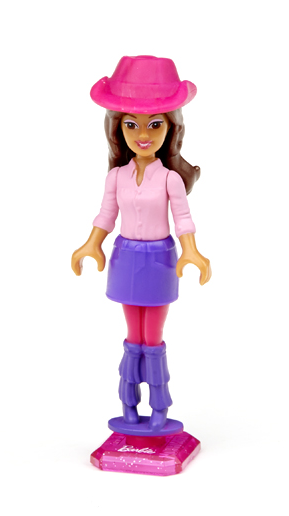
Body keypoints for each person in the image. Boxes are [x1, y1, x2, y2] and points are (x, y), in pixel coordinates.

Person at [71, 56, 211, 432]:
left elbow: (182, 219)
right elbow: (106, 214)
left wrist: (191, 250)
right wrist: (91, 244)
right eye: (131, 124)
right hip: (126, 258)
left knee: (153, 338)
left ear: (171, 127)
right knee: (133, 337)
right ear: (118, 128)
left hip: (160, 260)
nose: (143, 134)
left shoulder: (170, 179)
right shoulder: (116, 176)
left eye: (155, 124)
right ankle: (128, 405)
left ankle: (159, 407)